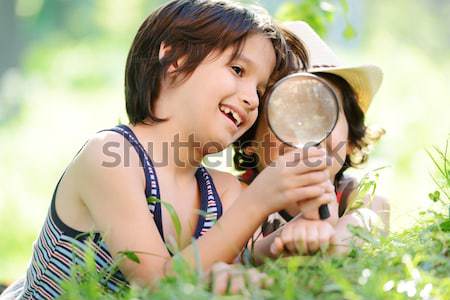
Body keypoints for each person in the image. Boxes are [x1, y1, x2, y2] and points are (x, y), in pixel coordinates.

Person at [1, 2, 337, 298]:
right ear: (174, 58)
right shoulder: (110, 157)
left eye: (261, 90)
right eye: (238, 70)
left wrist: (281, 246)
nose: (252, 98)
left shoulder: (225, 191)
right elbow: (160, 287)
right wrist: (259, 199)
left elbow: (222, 266)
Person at [234, 21, 390, 262]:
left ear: (351, 139)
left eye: (321, 112)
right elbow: (238, 254)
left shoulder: (355, 195)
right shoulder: (236, 196)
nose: (303, 131)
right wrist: (284, 239)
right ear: (251, 142)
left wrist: (330, 234)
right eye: (284, 114)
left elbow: (375, 217)